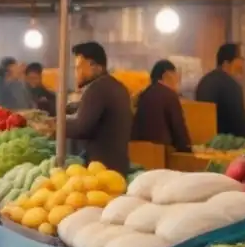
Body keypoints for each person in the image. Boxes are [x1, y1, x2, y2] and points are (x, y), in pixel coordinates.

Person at [65, 42, 133, 174]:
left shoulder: (97, 88)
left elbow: (81, 127)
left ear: (94, 66)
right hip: (117, 167)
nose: (76, 73)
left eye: (78, 68)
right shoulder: (117, 86)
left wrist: (56, 126)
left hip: (100, 169)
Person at [195, 44, 245, 138]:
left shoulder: (204, 81)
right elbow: (241, 125)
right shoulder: (231, 85)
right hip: (225, 140)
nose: (243, 64)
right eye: (240, 59)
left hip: (204, 138)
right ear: (226, 63)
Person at [132, 60, 192, 152]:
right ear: (166, 75)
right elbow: (178, 129)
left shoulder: (144, 94)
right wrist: (187, 148)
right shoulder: (169, 96)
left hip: (138, 152)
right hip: (161, 153)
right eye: (176, 76)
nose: (177, 81)